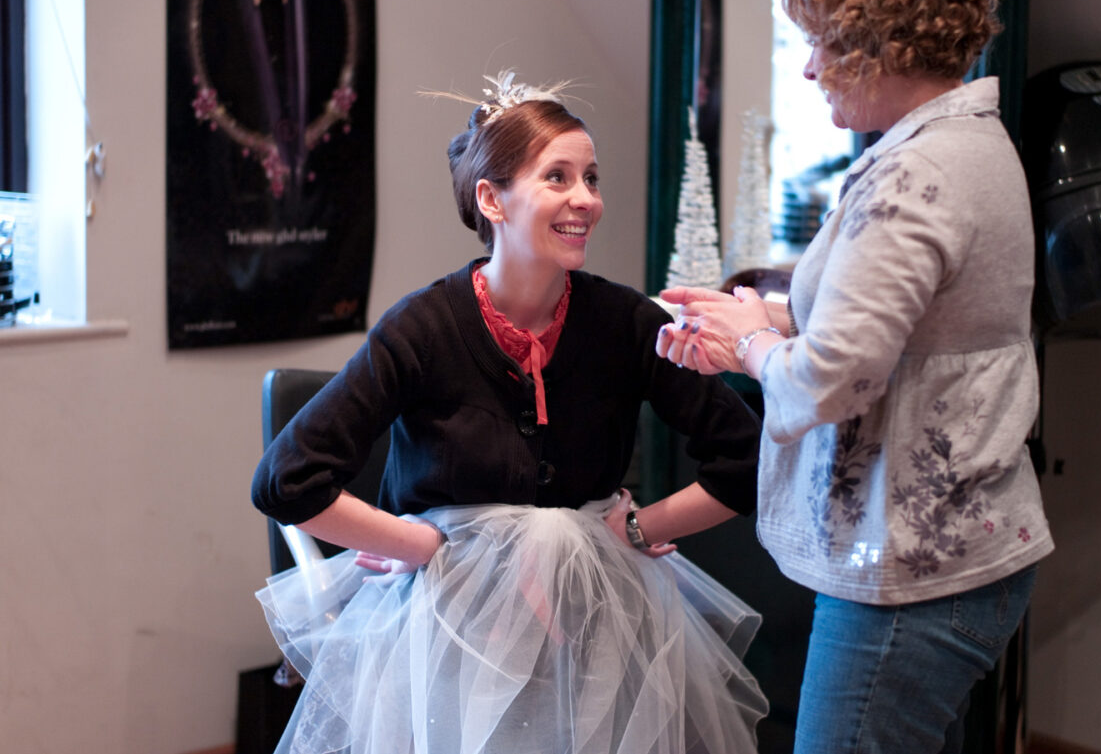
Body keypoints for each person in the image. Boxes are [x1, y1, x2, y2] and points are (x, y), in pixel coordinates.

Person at [251, 71, 767, 754]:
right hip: (447, 634)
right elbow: (286, 478)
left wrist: (642, 526)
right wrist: (420, 544)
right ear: (492, 199)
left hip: (595, 630)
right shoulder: (424, 327)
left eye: (592, 178)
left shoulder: (624, 323)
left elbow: (751, 457)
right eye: (558, 177)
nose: (586, 199)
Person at [656, 0, 1054, 752]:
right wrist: (758, 321)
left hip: (910, 575)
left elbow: (831, 380)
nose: (806, 68)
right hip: (966, 547)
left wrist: (759, 351)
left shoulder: (914, 174)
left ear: (877, 43)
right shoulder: (973, 143)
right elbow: (914, 327)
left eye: (821, 43)